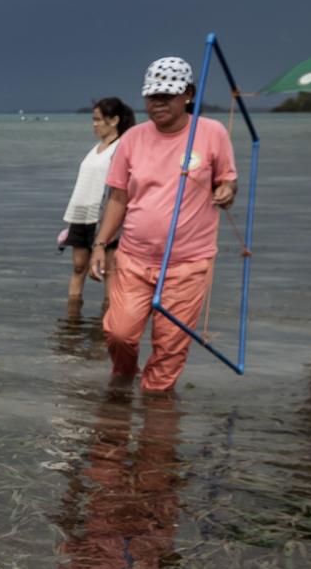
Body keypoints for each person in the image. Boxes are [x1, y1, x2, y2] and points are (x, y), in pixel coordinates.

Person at [91, 57, 238, 393]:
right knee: (119, 333)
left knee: (169, 347)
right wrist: (100, 244)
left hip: (188, 264)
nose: (157, 103)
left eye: (166, 96)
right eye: (151, 96)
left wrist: (227, 191)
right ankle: (123, 381)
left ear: (188, 94)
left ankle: (157, 413)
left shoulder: (212, 132)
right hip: (134, 258)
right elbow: (118, 198)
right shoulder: (132, 139)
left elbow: (228, 182)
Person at [61, 97, 133, 313]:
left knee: (108, 271)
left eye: (98, 119)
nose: (94, 124)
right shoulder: (96, 148)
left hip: (104, 214)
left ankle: (108, 321)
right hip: (82, 213)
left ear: (114, 120)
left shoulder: (121, 147)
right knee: (78, 267)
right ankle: (71, 320)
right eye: (93, 119)